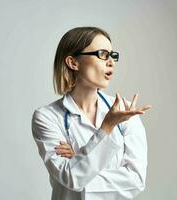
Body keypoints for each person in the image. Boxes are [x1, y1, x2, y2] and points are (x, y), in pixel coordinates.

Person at [31, 26, 151, 200]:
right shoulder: (47, 117)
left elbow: (136, 180)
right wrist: (107, 127)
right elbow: (70, 177)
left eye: (112, 55)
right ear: (73, 62)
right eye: (102, 54)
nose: (111, 62)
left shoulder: (125, 110)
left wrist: (78, 160)